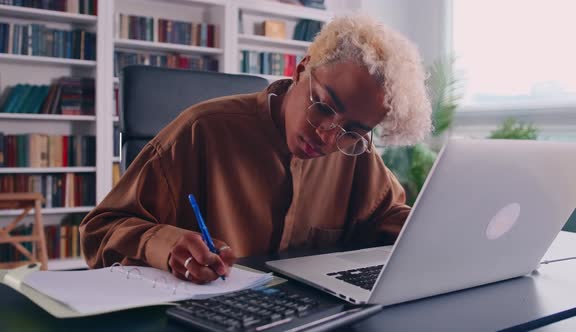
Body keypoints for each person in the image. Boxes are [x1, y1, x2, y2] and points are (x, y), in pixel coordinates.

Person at [80, 15, 432, 284]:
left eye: (353, 130)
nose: (328, 136)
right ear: (302, 69)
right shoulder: (200, 131)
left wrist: (437, 229)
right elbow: (100, 230)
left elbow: (387, 217)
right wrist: (165, 243)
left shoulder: (354, 150)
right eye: (324, 106)